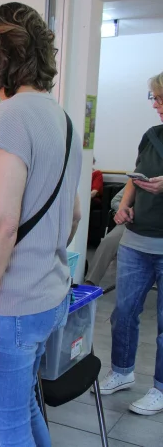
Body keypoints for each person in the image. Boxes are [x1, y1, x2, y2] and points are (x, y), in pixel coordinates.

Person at [0, 4, 83, 446]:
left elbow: (2, 225)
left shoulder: (9, 116)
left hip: (10, 307)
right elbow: (74, 214)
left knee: (8, 432)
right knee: (24, 410)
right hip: (50, 295)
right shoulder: (62, 118)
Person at [96, 71, 163, 417]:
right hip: (136, 241)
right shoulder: (151, 137)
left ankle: (161, 388)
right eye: (155, 98)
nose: (156, 105)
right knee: (123, 312)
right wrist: (123, 207)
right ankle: (122, 371)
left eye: (161, 98)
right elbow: (134, 179)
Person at [84, 188, 125, 288]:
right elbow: (115, 201)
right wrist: (125, 211)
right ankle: (91, 282)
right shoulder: (136, 181)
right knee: (108, 242)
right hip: (132, 222)